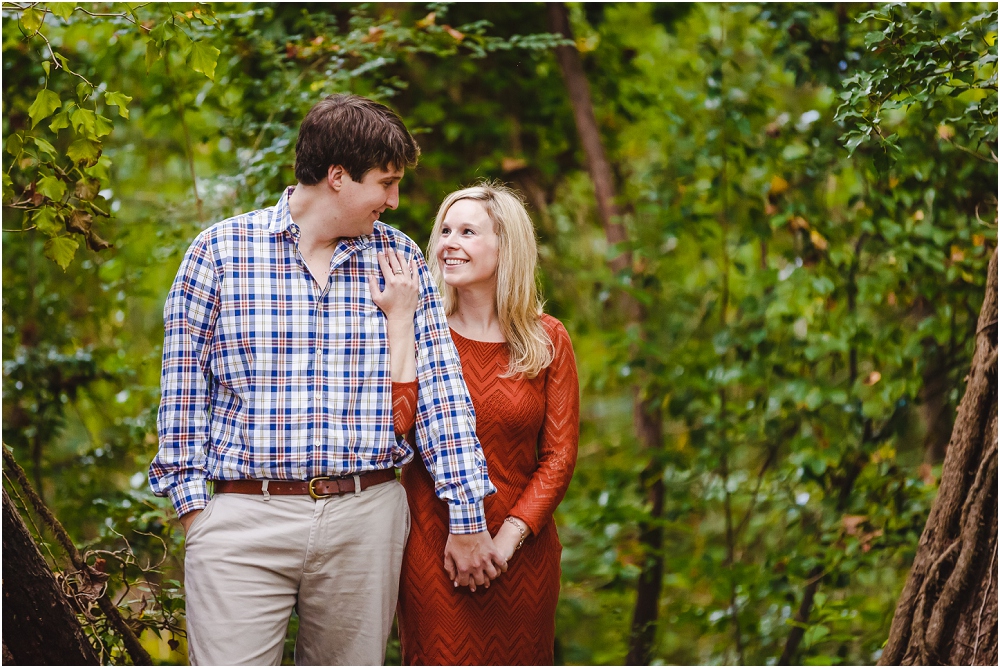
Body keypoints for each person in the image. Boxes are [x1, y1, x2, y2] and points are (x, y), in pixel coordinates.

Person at [148, 94, 505, 666]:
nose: (393, 200)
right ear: (337, 177)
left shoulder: (399, 257)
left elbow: (442, 394)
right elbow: (183, 396)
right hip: (244, 519)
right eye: (385, 183)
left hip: (364, 519)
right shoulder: (218, 253)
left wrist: (467, 516)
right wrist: (200, 515)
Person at [380, 182, 580, 665]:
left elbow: (559, 457)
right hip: (434, 548)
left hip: (521, 554)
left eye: (467, 232)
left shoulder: (546, 338)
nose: (449, 242)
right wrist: (400, 324)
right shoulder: (419, 329)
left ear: (506, 246)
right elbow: (394, 429)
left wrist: (506, 541)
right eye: (445, 230)